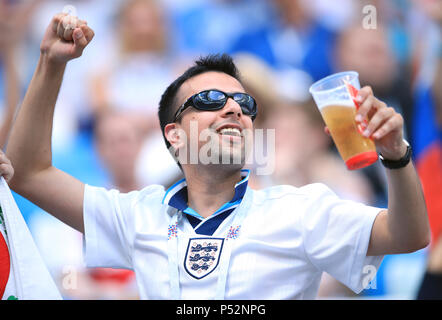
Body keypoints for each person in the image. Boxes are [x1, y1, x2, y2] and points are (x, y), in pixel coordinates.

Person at [6, 14, 430, 300]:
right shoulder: (137, 214)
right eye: (211, 99)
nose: (233, 108)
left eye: (243, 103)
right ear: (173, 135)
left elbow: (408, 235)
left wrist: (396, 156)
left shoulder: (301, 209)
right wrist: (50, 64)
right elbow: (27, 173)